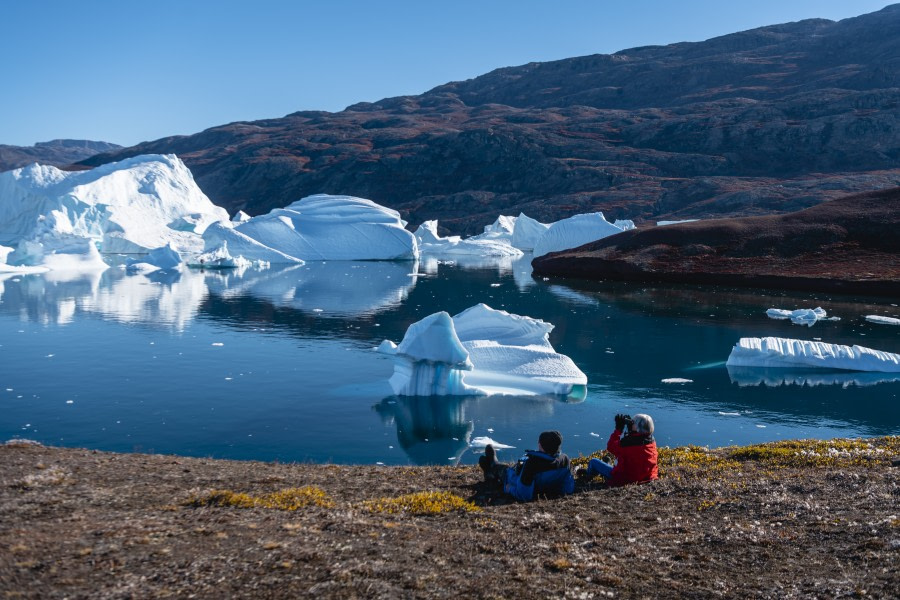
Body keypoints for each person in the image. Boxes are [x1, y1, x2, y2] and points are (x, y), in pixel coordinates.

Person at [478, 430, 575, 501]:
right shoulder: (564, 460)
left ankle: (492, 467)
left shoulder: (532, 464)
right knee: (495, 465)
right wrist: (554, 493)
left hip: (513, 480)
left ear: (541, 445)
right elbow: (569, 487)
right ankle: (490, 469)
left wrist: (508, 488)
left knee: (501, 469)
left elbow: (523, 495)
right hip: (545, 487)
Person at [580, 413, 658, 486]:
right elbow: (638, 441)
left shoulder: (628, 443)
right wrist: (631, 431)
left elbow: (610, 447)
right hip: (647, 478)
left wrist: (618, 429)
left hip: (625, 479)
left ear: (637, 427)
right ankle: (606, 465)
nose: (631, 423)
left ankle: (588, 475)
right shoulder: (651, 441)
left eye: (633, 423)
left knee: (593, 462)